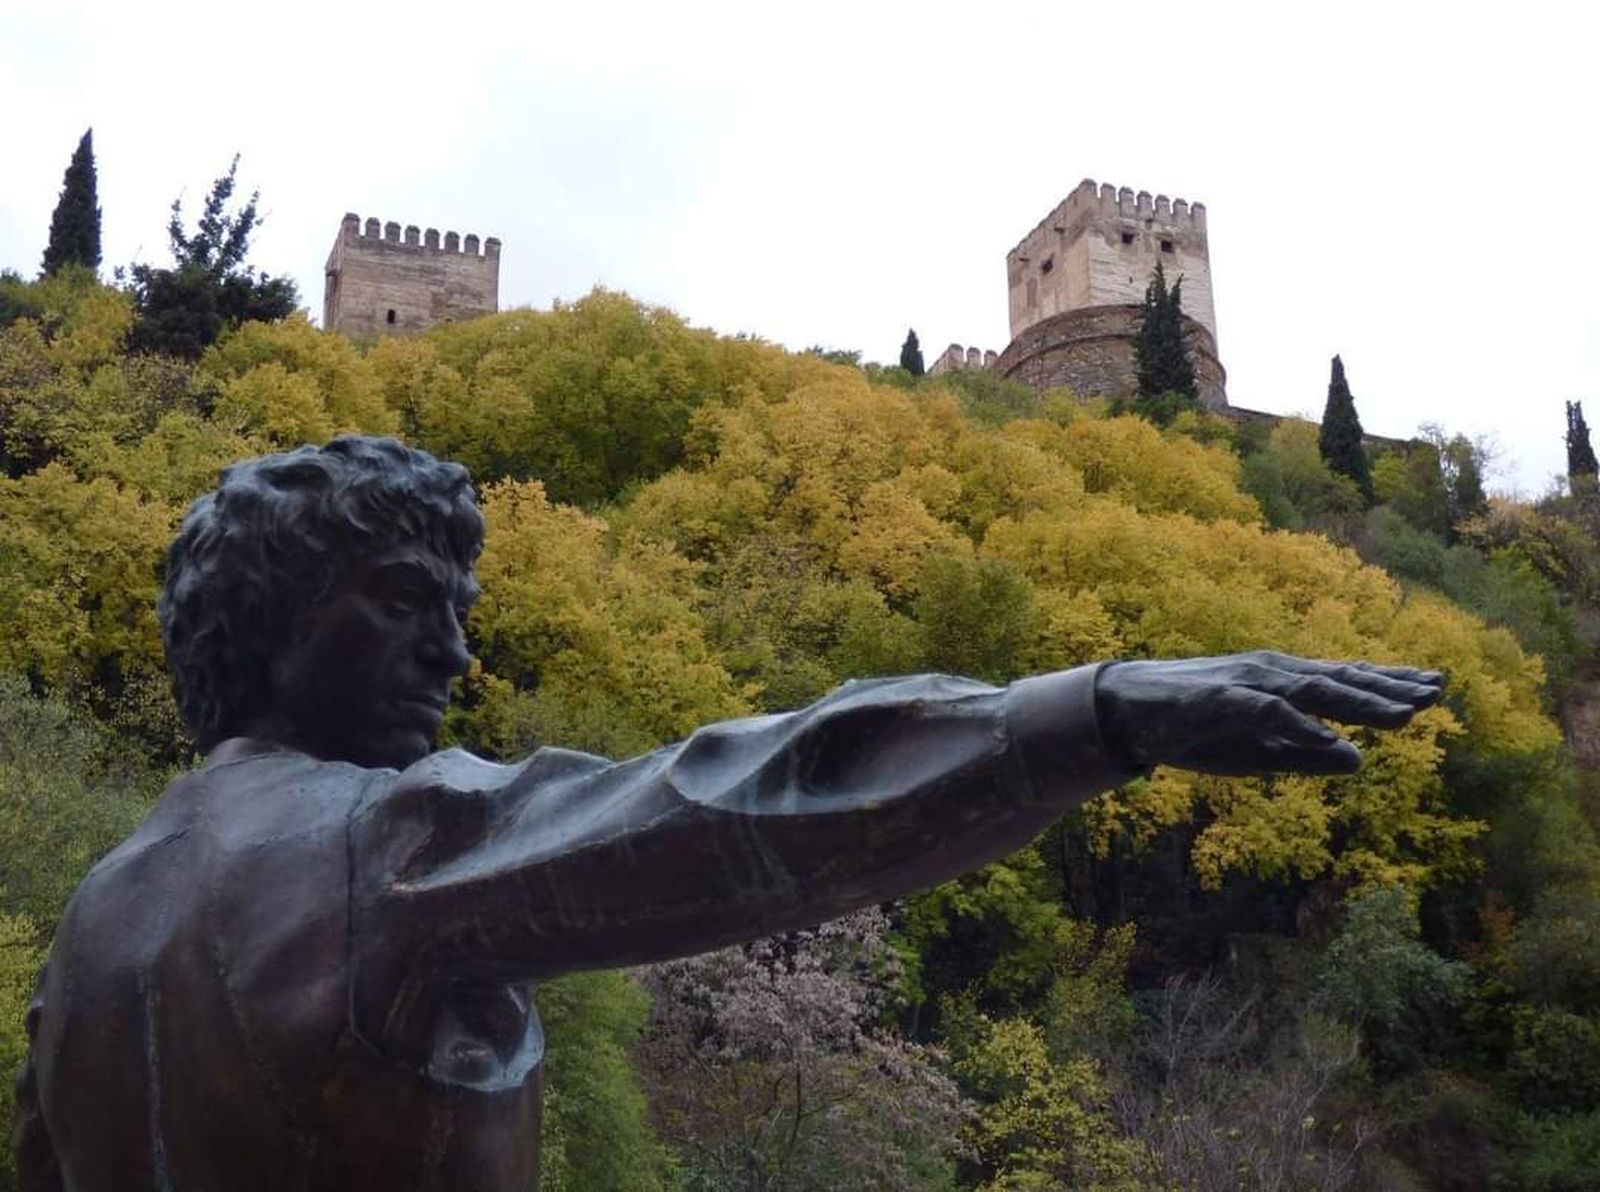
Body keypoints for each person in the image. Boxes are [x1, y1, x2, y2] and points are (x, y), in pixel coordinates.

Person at [14, 436, 1442, 1191]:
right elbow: (724, 807)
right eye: (401, 603)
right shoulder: (380, 842)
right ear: (269, 616)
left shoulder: (92, 924)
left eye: (458, 611)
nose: (453, 655)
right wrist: (1099, 710)